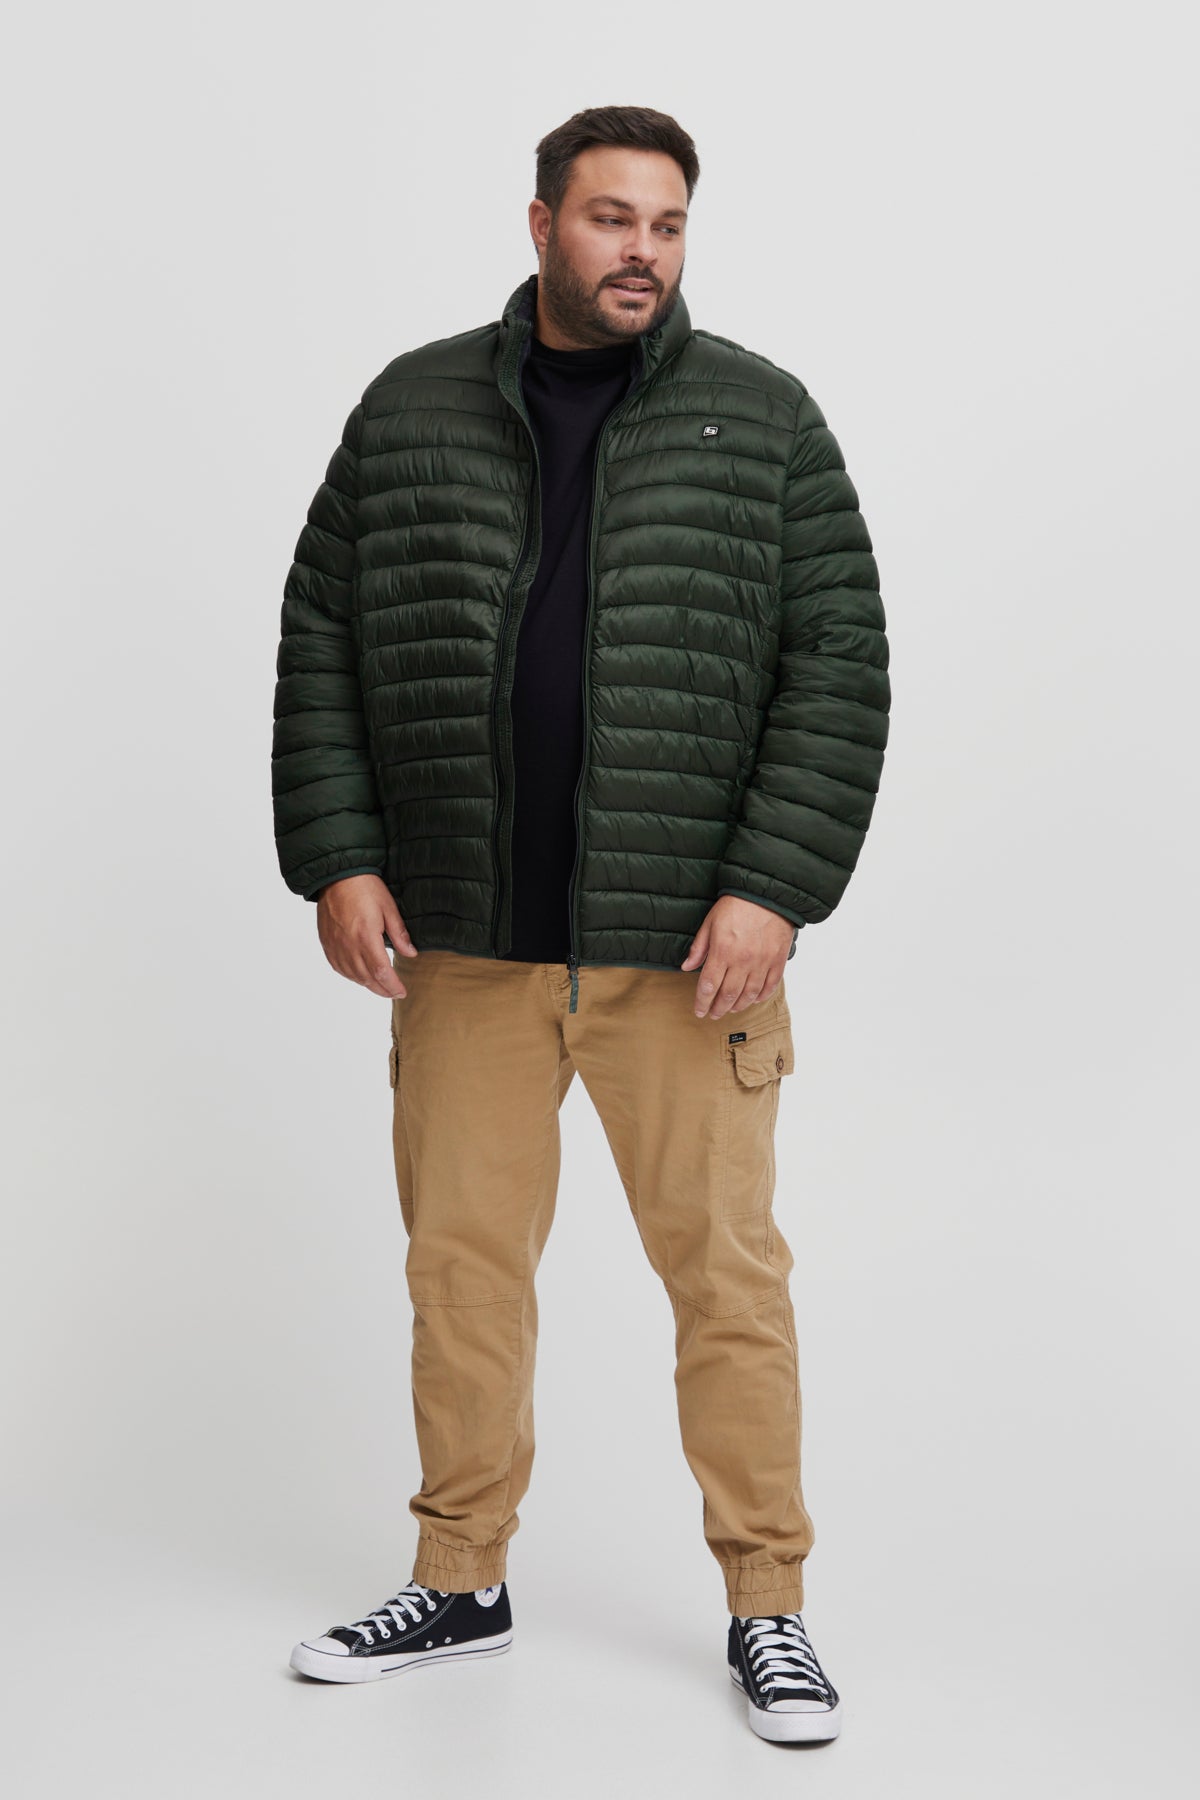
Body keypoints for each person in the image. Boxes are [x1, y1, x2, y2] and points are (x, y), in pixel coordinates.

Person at [272, 104, 890, 1744]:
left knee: (727, 1281)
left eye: (668, 225)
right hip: (465, 940)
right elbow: (323, 631)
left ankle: (769, 1607)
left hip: (683, 954)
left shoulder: (762, 418)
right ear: (542, 222)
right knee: (463, 1273)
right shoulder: (411, 408)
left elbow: (837, 663)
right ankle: (460, 1578)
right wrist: (339, 853)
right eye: (613, 218)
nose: (643, 252)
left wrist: (770, 888)